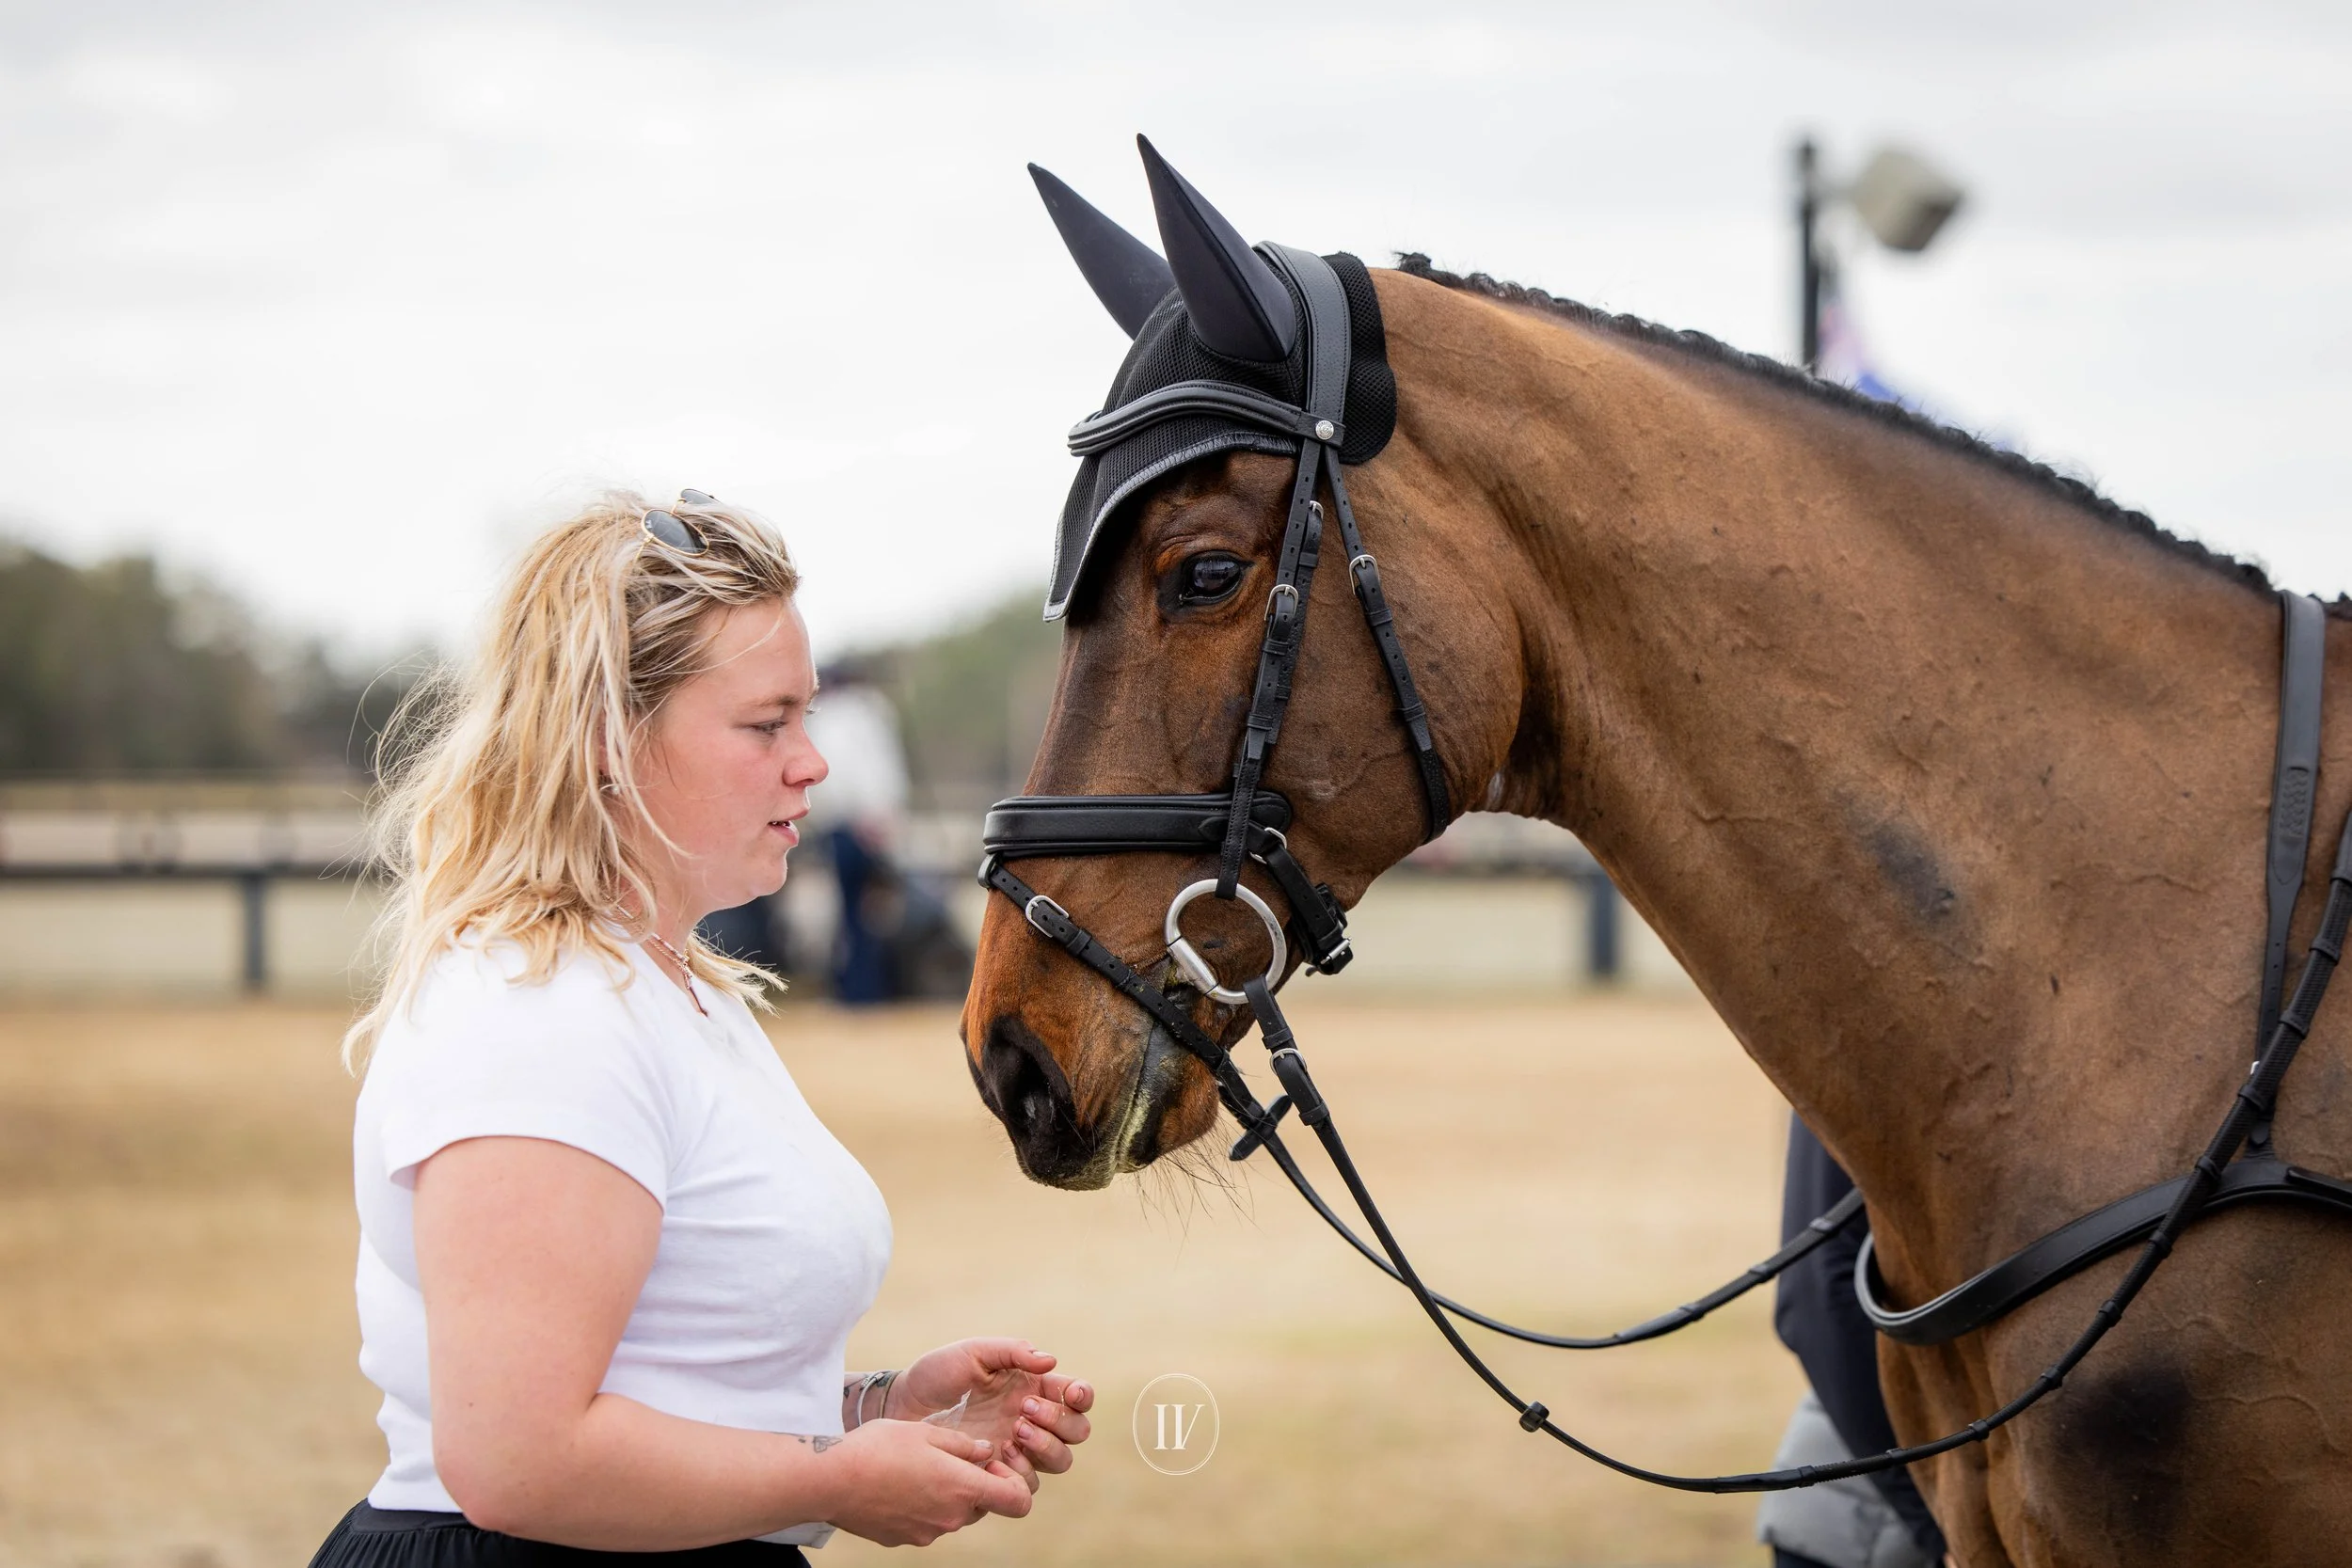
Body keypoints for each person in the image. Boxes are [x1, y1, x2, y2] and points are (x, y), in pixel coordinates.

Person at [310, 490, 1092, 1565]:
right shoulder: (539, 1009)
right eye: (767, 722)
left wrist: (875, 1410)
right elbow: (515, 1459)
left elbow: (666, 1375)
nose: (811, 759)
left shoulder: (680, 988)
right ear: (605, 738)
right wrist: (834, 1479)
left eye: (806, 715)